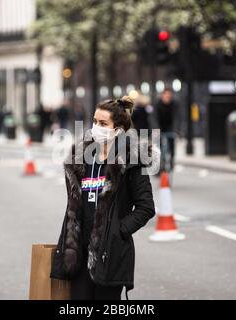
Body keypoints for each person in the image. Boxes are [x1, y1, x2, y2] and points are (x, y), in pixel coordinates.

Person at [50, 96, 159, 300]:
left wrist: (119, 231)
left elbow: (146, 208)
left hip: (110, 253)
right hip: (79, 253)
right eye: (94, 122)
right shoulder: (81, 158)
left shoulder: (131, 161)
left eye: (103, 123)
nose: (96, 128)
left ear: (117, 129)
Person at [156, 87, 178, 171]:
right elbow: (154, 118)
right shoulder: (158, 104)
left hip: (170, 128)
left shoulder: (174, 104)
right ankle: (160, 165)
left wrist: (176, 130)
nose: (168, 98)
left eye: (169, 96)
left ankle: (172, 160)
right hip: (160, 128)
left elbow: (177, 118)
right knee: (159, 147)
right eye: (166, 96)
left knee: (172, 145)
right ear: (162, 95)